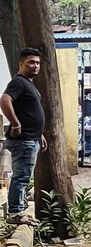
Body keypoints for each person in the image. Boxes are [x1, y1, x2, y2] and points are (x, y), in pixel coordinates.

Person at [2, 48, 46, 225]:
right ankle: (16, 213)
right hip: (23, 140)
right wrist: (15, 124)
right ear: (21, 63)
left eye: (37, 63)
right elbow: (5, 100)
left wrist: (39, 134)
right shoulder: (19, 82)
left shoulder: (28, 83)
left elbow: (28, 110)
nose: (35, 66)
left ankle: (18, 210)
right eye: (31, 62)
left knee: (24, 176)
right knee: (21, 176)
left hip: (31, 137)